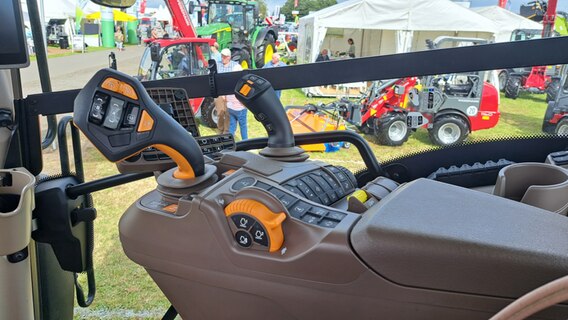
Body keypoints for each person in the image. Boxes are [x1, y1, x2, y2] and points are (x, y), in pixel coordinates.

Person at [215, 48, 246, 139]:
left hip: (230, 95)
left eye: (225, 56)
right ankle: (220, 130)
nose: (223, 58)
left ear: (229, 57)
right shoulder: (218, 65)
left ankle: (226, 133)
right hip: (220, 93)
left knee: (229, 115)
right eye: (222, 56)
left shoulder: (235, 66)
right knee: (220, 113)